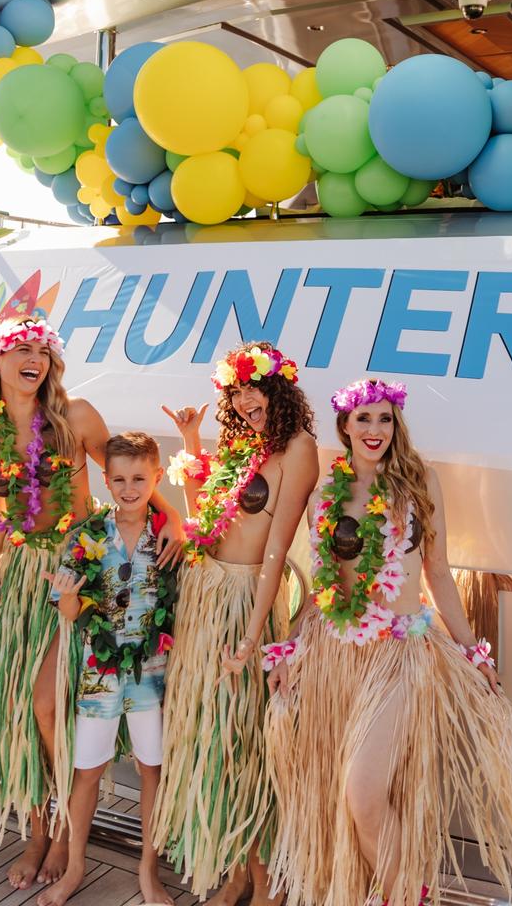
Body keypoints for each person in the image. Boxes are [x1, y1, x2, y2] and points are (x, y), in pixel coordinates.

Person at [264, 378, 512, 906]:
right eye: (364, 419)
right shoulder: (327, 493)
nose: (375, 430)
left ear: (397, 426)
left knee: (364, 794)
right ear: (344, 426)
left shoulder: (420, 483)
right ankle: (397, 895)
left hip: (400, 655)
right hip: (337, 654)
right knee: (347, 800)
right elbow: (326, 587)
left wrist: (470, 651)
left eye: (385, 419)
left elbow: (438, 573)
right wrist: (290, 648)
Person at [0, 317, 183, 890]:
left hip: (80, 571)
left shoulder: (77, 416)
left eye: (43, 350)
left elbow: (130, 481)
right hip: (20, 579)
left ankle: (64, 832)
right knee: (25, 712)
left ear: (53, 363)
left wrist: (174, 517)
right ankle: (41, 827)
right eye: (21, 350)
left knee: (49, 703)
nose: (34, 358)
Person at [153, 341, 319, 905]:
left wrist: (252, 635)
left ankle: (267, 880)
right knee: (213, 739)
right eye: (237, 390)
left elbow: (276, 548)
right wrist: (193, 444)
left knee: (250, 741)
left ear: (279, 389)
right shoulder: (240, 444)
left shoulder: (299, 449)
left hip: (248, 601)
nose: (247, 399)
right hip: (205, 595)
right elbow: (207, 519)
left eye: (256, 387)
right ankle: (236, 875)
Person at [38, 431, 177, 906]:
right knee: (87, 770)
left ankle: (148, 870)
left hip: (153, 673)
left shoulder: (169, 537)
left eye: (140, 478)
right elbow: (70, 614)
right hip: (100, 671)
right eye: (119, 479)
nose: (129, 487)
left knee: (150, 768)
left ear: (157, 478)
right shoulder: (88, 536)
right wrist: (71, 597)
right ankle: (75, 867)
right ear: (106, 479)